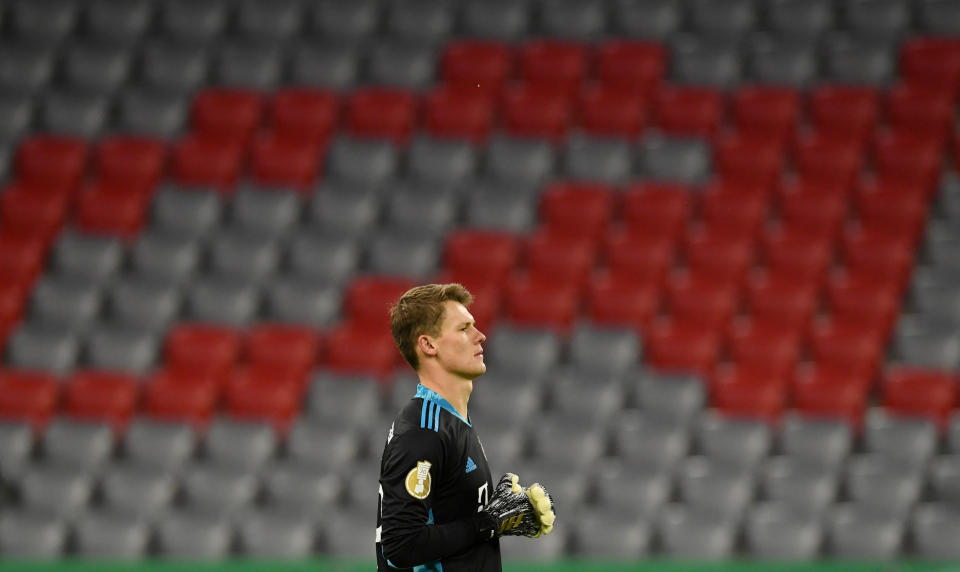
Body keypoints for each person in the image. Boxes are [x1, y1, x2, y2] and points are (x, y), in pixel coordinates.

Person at [376, 283, 556, 571]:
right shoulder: (423, 431)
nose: (480, 336)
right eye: (464, 329)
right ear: (429, 345)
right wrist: (488, 523)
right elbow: (400, 544)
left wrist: (501, 519)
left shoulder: (449, 421)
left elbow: (453, 525)